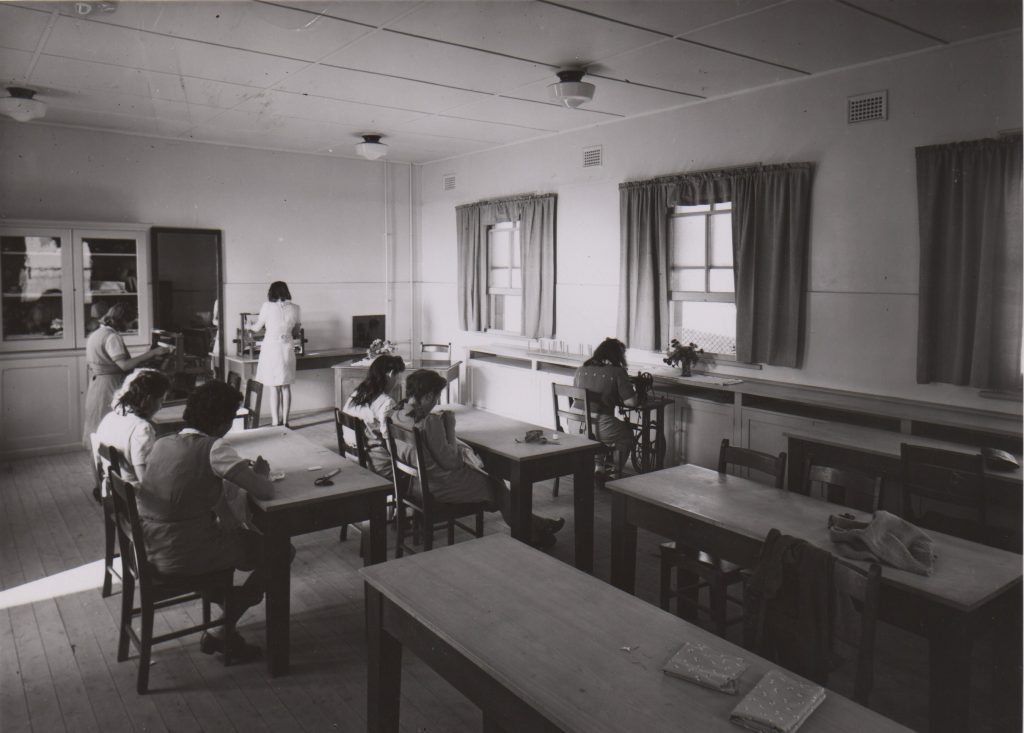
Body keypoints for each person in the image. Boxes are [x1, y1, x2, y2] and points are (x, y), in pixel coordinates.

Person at [141, 380, 278, 661]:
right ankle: (224, 625)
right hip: (184, 552)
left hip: (151, 546)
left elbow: (193, 488)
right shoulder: (214, 447)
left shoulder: (163, 443)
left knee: (240, 539)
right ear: (222, 421)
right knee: (279, 551)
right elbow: (265, 491)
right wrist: (261, 473)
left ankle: (228, 611)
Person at [390, 370, 564, 548]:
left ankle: (537, 527)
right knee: (497, 486)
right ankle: (531, 535)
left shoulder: (396, 414)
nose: (436, 403)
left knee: (495, 481)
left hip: (417, 484)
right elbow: (451, 462)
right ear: (427, 396)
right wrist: (450, 427)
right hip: (439, 487)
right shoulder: (429, 421)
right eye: (436, 397)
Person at [82, 303, 170, 448]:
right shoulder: (112, 337)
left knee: (98, 426)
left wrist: (146, 356)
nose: (130, 326)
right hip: (109, 385)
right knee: (112, 426)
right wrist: (152, 353)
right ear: (121, 320)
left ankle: (101, 460)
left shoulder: (98, 333)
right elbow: (124, 365)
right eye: (130, 322)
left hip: (98, 384)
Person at [93, 368, 170, 490]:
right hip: (134, 495)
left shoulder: (110, 417)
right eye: (161, 401)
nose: (161, 407)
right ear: (149, 400)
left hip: (113, 488)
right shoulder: (142, 428)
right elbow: (145, 480)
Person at [573, 337, 638, 477]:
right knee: (627, 435)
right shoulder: (617, 372)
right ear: (617, 355)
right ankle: (615, 473)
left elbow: (577, 396)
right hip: (598, 426)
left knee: (598, 433)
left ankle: (599, 467)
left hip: (574, 424)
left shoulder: (580, 369)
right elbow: (631, 402)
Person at [342, 354, 406, 479]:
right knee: (418, 469)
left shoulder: (357, 393)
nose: (397, 381)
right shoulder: (387, 402)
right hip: (375, 465)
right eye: (398, 376)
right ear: (391, 374)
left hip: (351, 457)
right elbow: (390, 442)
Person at [251, 281, 301, 427]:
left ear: (271, 292)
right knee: (285, 386)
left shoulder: (267, 306)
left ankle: (275, 422)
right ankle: (285, 422)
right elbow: (296, 330)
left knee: (274, 386)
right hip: (287, 348)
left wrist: (249, 326)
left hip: (271, 349)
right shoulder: (296, 308)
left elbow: (257, 327)